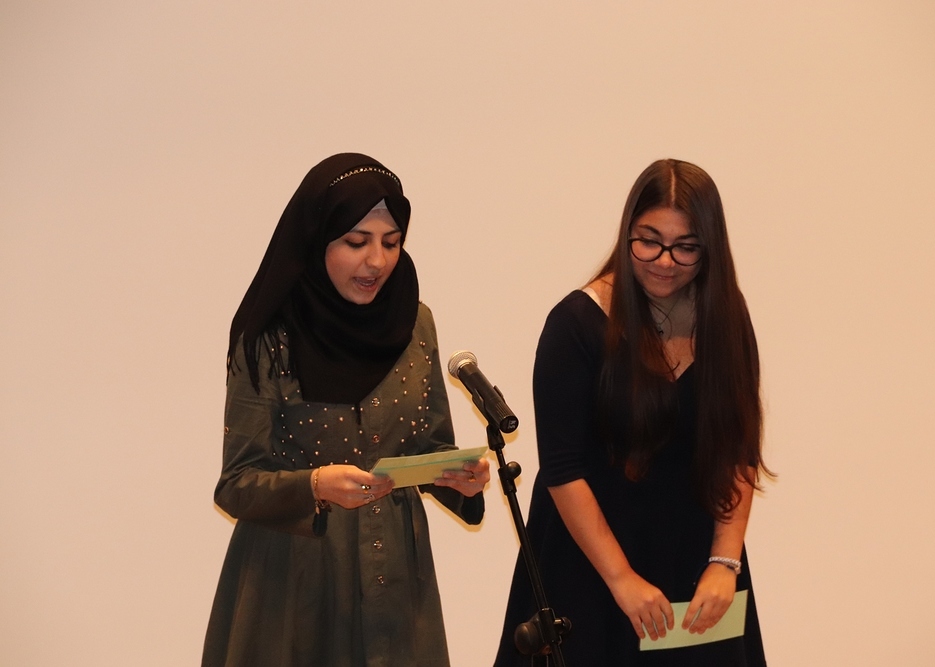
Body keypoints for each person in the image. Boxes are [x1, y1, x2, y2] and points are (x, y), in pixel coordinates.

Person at [203, 153, 490, 667]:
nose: (377, 261)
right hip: (294, 580)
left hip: (396, 577)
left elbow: (427, 446)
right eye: (357, 242)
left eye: (391, 242)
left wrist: (458, 477)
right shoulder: (267, 336)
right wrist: (314, 485)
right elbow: (236, 484)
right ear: (317, 240)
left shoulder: (415, 323)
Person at [494, 159, 770, 666]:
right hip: (591, 567)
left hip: (697, 566)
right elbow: (561, 470)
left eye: (686, 247)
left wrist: (724, 563)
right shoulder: (575, 324)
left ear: (709, 248)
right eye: (649, 241)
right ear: (627, 234)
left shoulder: (727, 320)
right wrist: (622, 579)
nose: (665, 261)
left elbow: (738, 450)